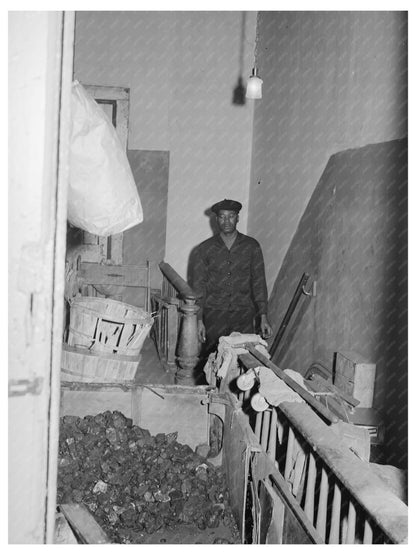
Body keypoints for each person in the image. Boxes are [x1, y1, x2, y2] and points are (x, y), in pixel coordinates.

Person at [189, 198, 273, 355]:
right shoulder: (204, 249)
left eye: (231, 216)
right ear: (216, 219)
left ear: (238, 218)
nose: (226, 221)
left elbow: (259, 283)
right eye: (222, 216)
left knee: (243, 359)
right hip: (214, 315)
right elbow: (199, 286)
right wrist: (199, 320)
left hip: (243, 315)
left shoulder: (251, 246)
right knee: (213, 359)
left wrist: (263, 315)